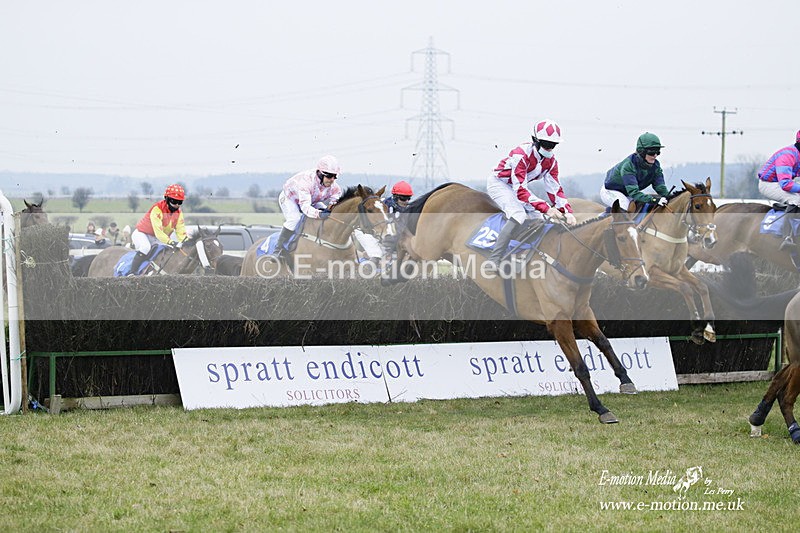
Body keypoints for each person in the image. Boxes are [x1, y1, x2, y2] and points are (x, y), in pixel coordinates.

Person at [486, 118, 577, 267]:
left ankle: (524, 255)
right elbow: (521, 190)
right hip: (500, 184)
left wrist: (567, 211)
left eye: (553, 145)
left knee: (538, 219)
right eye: (546, 144)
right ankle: (494, 259)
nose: (549, 148)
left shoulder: (551, 162)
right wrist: (547, 208)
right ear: (535, 140)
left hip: (518, 188)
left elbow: (555, 190)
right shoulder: (521, 154)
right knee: (518, 215)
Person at [273, 155, 344, 258]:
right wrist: (319, 214)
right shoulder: (306, 182)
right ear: (320, 174)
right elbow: (305, 208)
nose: (332, 179)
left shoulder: (335, 188)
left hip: (311, 200)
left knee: (328, 216)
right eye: (329, 176)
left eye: (335, 176)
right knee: (295, 219)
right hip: (290, 199)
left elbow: (334, 204)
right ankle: (277, 249)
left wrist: (330, 210)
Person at [601, 132, 669, 210]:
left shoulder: (656, 166)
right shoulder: (629, 165)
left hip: (628, 193)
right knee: (624, 206)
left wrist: (670, 197)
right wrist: (654, 200)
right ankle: (602, 218)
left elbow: (660, 188)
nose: (655, 155)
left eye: (658, 152)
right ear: (642, 151)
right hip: (611, 191)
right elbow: (634, 192)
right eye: (652, 152)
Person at [129, 184, 188, 274]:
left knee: (168, 251)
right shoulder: (157, 209)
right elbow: (158, 232)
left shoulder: (179, 213)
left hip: (157, 238)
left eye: (179, 202)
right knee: (145, 248)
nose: (176, 205)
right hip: (142, 234)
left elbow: (181, 231)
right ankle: (131, 273)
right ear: (167, 199)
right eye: (174, 201)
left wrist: (187, 243)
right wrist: (172, 242)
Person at [757, 130, 800, 250]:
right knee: (796, 199)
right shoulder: (788, 155)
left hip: (781, 182)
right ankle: (788, 237)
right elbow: (785, 184)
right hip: (769, 184)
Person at [381, 181, 413, 258]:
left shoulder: (409, 209)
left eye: (408, 198)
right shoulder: (384, 205)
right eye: (403, 198)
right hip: (383, 240)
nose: (406, 201)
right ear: (395, 197)